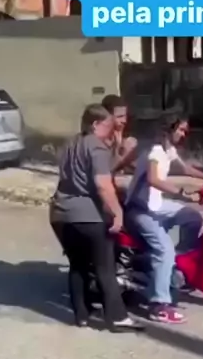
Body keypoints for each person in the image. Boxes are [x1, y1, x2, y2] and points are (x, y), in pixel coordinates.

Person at [50, 103, 144, 332]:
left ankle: (82, 315)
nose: (111, 129)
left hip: (60, 213)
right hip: (87, 214)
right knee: (105, 267)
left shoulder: (70, 143)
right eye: (108, 125)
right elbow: (103, 184)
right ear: (95, 124)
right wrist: (117, 212)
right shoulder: (96, 146)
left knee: (78, 265)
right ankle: (117, 317)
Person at [124, 117, 203, 324]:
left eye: (185, 130)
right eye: (180, 129)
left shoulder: (168, 149)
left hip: (155, 205)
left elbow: (185, 169)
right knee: (164, 250)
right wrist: (183, 193)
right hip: (140, 210)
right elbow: (153, 179)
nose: (183, 134)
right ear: (168, 129)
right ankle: (159, 305)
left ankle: (177, 268)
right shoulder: (155, 150)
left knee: (192, 217)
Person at [101, 94, 138, 174]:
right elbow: (107, 170)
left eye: (125, 116)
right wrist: (117, 148)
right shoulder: (99, 142)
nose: (124, 121)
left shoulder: (129, 141)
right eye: (119, 117)